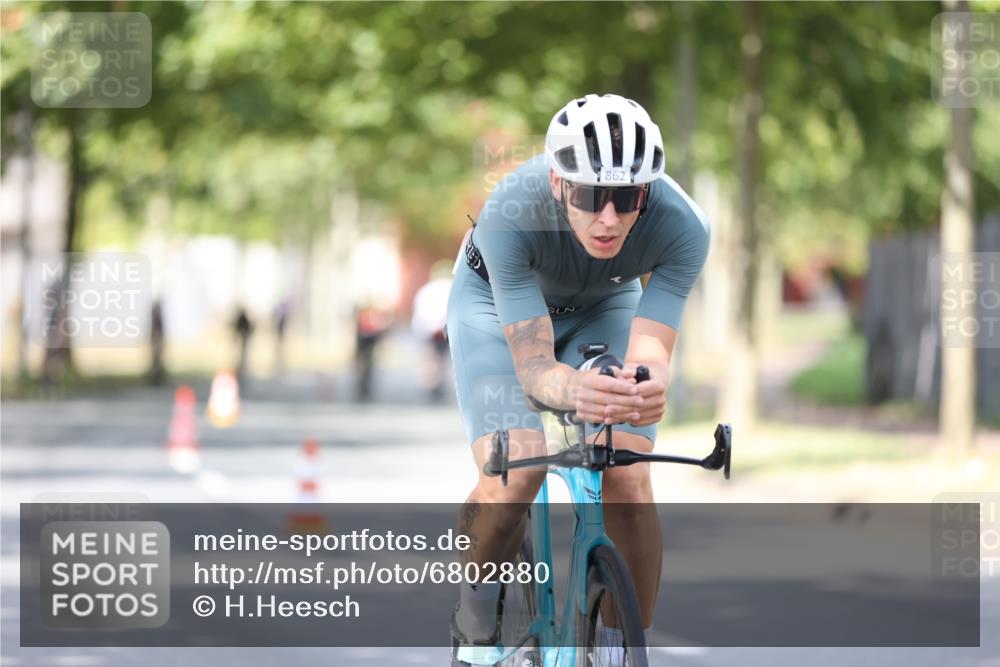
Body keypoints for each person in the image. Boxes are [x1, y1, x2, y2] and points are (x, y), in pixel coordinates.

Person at [447, 94, 710, 661]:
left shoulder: (684, 225)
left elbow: (651, 350)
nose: (609, 217)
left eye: (627, 197)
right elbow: (537, 368)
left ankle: (615, 651)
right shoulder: (510, 211)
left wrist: (646, 386)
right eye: (591, 196)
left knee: (630, 476)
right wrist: (573, 389)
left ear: (648, 191)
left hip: (604, 303)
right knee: (517, 471)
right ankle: (474, 621)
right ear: (558, 182)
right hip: (497, 311)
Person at [411, 260, 454, 401]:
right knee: (444, 358)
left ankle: (433, 383)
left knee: (431, 358)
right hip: (446, 329)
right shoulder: (452, 287)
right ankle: (439, 383)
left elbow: (420, 312)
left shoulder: (426, 289)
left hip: (428, 330)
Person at [233, 306, 254, 381]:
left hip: (244, 339)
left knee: (243, 355)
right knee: (242, 355)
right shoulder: (243, 319)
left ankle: (243, 368)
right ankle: (242, 368)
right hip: (243, 339)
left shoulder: (243, 319)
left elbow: (249, 328)